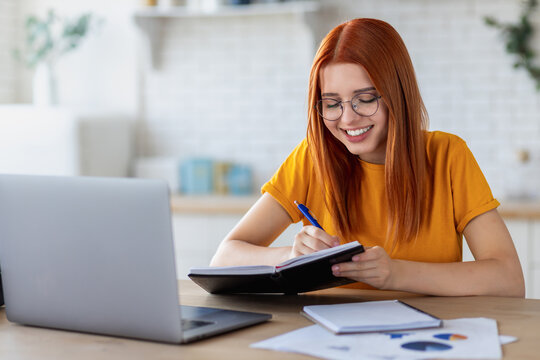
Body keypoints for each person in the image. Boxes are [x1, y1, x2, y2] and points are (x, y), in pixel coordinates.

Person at [210, 18, 525, 297]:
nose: (347, 119)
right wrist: (291, 254)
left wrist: (396, 273)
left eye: (364, 99)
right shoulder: (313, 157)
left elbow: (508, 279)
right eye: (332, 103)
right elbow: (224, 257)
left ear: (396, 95)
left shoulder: (447, 156)